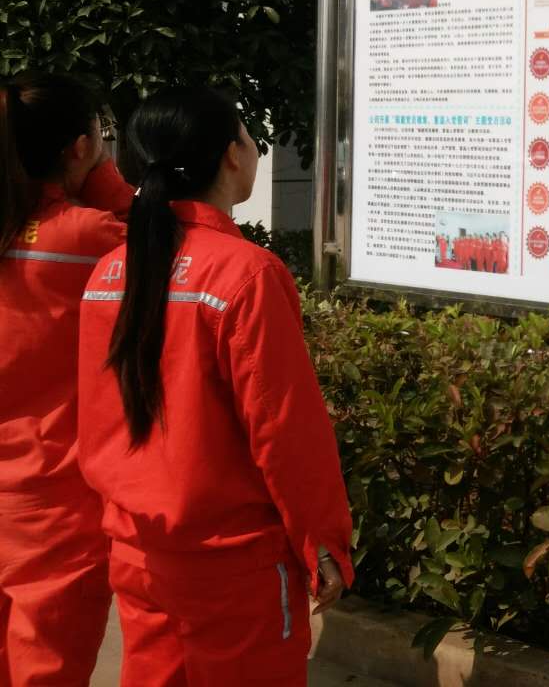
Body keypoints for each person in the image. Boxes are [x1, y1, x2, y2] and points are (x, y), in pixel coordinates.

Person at [77, 87, 353, 685]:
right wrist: (323, 542)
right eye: (250, 136)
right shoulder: (246, 274)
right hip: (235, 565)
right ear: (232, 155)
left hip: (139, 551)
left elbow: (99, 418)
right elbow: (285, 431)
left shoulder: (110, 271)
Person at [0, 73, 131, 687]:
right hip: (54, 507)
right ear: (79, 147)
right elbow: (190, 250)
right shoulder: (90, 238)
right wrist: (106, 181)